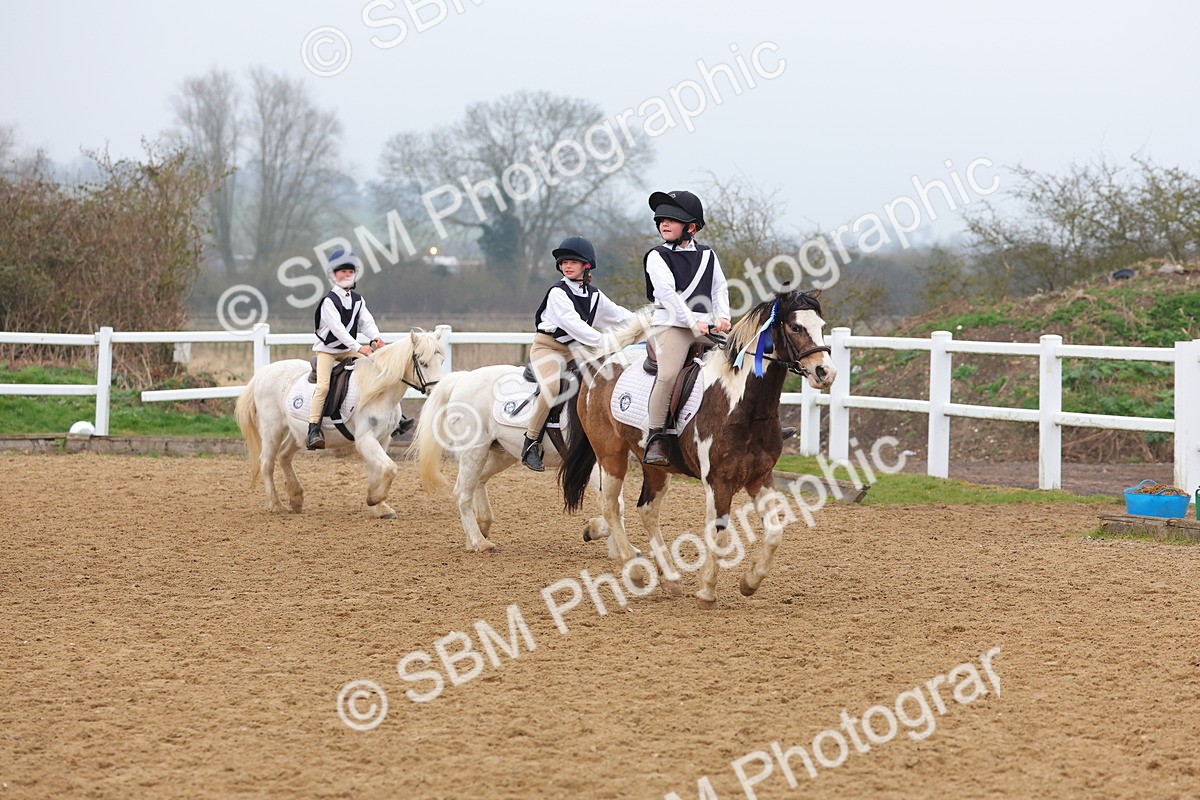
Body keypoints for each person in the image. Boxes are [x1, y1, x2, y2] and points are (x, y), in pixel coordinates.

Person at [523, 235, 635, 472]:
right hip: (548, 348)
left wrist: (645, 323)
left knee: (601, 381)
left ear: (586, 266)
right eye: (564, 262)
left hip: (575, 350)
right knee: (553, 387)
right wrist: (604, 341)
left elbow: (618, 315)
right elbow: (576, 326)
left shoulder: (594, 295)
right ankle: (531, 442)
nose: (567, 266)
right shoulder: (557, 293)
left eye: (573, 262)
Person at [642, 190, 731, 466]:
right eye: (661, 220)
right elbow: (668, 294)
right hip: (673, 326)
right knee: (668, 375)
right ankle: (656, 435)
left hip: (705, 327)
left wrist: (724, 316)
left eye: (671, 220)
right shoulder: (656, 256)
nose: (663, 225)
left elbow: (720, 287)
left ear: (691, 227)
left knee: (743, 360)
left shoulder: (708, 255)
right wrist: (694, 322)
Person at [307, 249, 385, 450]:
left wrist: (375, 337)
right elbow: (339, 330)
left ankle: (395, 417)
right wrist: (360, 347)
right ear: (333, 275)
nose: (346, 274)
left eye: (350, 271)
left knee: (376, 369)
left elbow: (366, 321)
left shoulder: (358, 299)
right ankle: (313, 429)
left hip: (348, 349)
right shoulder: (328, 301)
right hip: (327, 350)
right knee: (323, 386)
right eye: (341, 271)